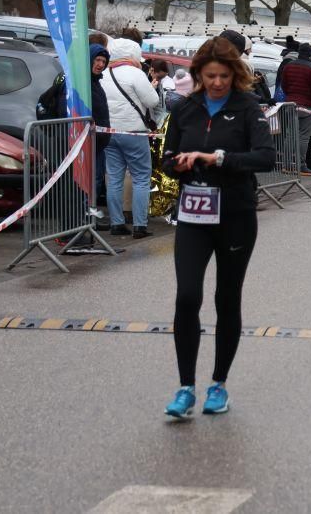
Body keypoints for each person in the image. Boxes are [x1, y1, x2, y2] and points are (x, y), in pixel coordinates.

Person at [161, 37, 275, 418]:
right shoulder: (185, 108)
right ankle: (185, 388)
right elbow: (166, 158)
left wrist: (219, 158)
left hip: (235, 215)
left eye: (224, 76)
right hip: (194, 215)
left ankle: (218, 385)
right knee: (187, 297)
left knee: (226, 298)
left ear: (234, 74)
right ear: (198, 74)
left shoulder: (248, 107)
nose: (217, 83)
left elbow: (265, 157)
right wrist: (177, 163)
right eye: (210, 76)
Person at [100, 38, 160, 238]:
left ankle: (116, 223)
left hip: (109, 132)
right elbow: (152, 101)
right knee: (141, 178)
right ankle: (140, 225)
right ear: (133, 54)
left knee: (114, 178)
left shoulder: (104, 74)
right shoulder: (136, 74)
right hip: (134, 132)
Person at [279, 41, 311, 176]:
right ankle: (301, 165)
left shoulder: (288, 66)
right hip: (306, 106)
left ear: (299, 52)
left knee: (289, 136)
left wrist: (290, 96)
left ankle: (286, 165)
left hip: (290, 104)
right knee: (303, 137)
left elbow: (284, 85)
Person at [90, 44, 112, 219]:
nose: (100, 64)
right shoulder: (84, 83)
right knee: (89, 182)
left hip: (98, 144)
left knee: (96, 181)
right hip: (86, 143)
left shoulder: (96, 82)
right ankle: (85, 219)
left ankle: (90, 218)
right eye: (97, 60)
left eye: (103, 61)